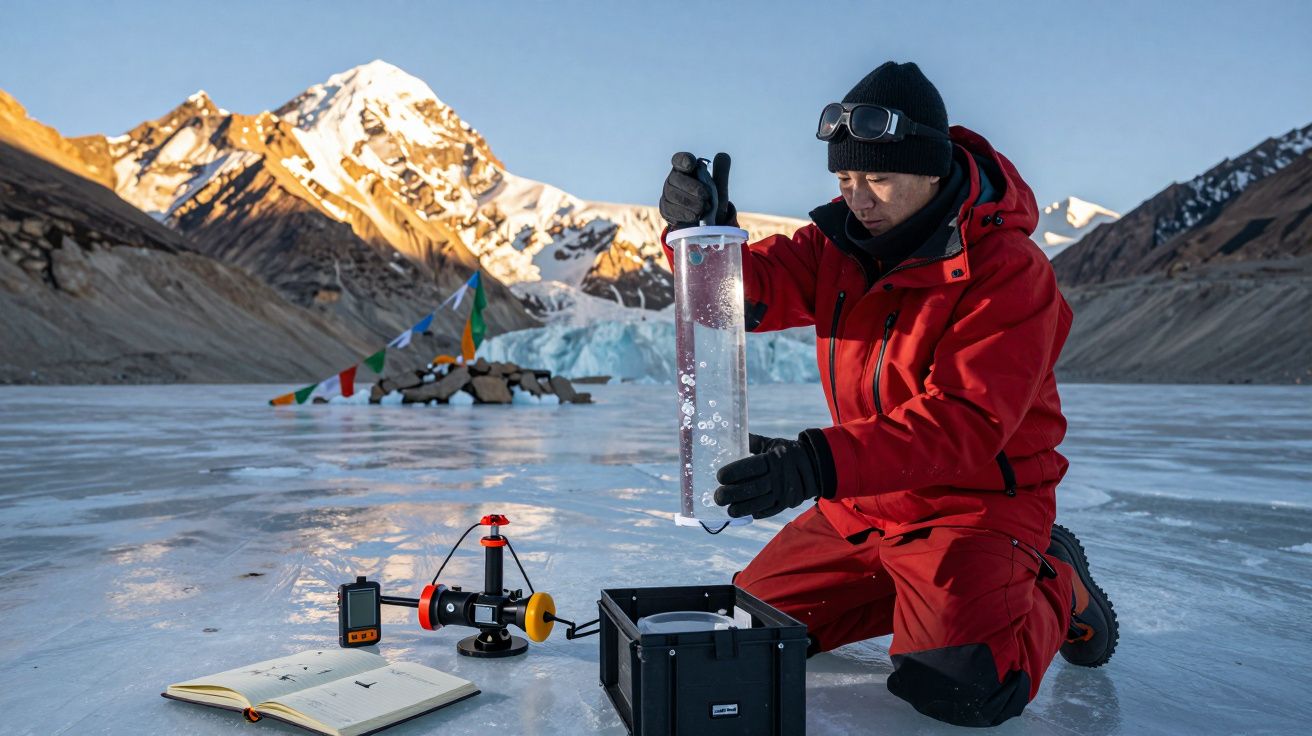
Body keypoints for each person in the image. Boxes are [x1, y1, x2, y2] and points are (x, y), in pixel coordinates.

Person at [658, 61, 1117, 728]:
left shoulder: (1008, 271)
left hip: (974, 509)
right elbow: (739, 300)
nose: (860, 199)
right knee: (752, 633)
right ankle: (916, 596)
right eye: (846, 180)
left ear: (932, 169)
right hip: (864, 502)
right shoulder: (837, 244)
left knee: (958, 686)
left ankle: (1053, 577)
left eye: (878, 178)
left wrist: (811, 464)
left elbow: (963, 423)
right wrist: (701, 239)